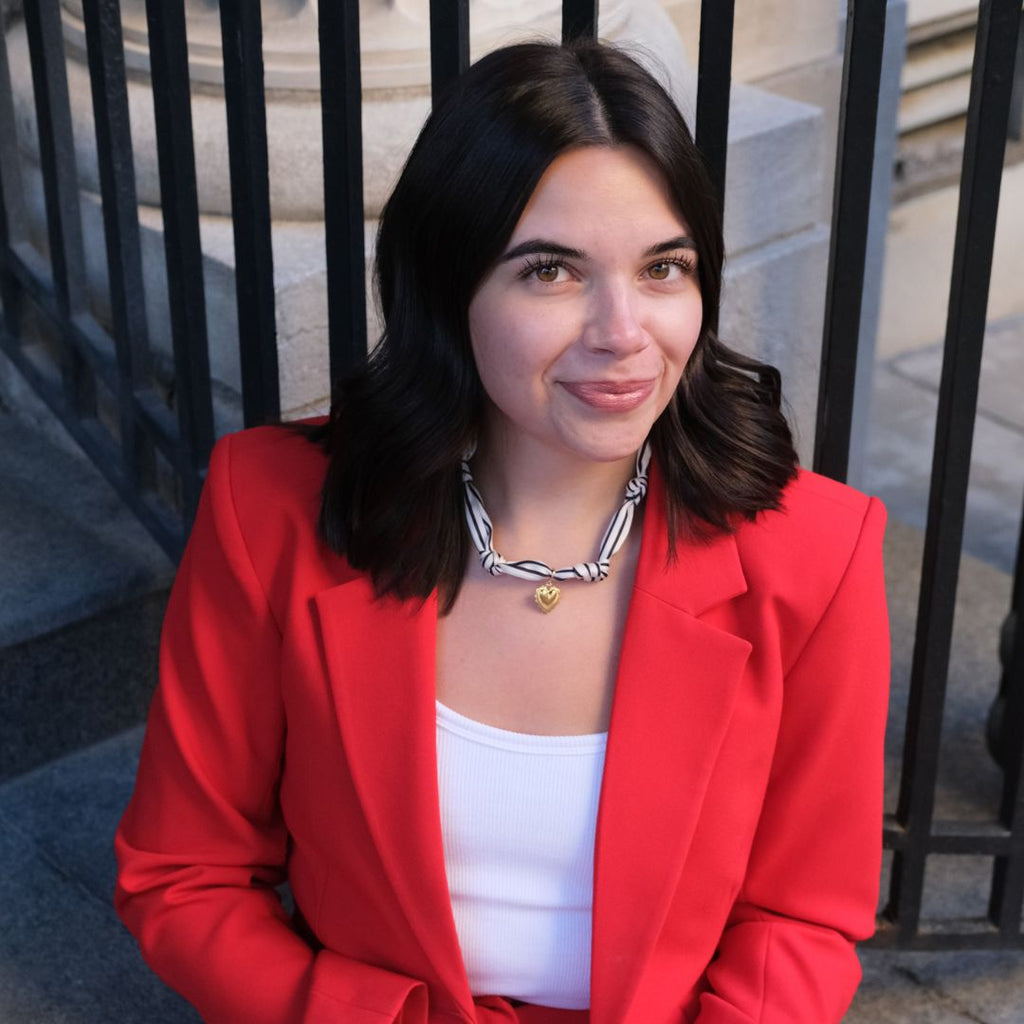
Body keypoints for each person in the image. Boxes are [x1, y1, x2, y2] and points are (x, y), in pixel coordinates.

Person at [114, 39, 889, 1024]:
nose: (622, 330)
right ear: (447, 288)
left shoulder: (814, 554)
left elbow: (800, 917)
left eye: (662, 267)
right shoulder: (267, 509)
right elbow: (180, 872)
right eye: (551, 272)